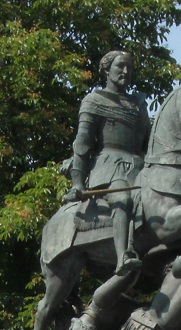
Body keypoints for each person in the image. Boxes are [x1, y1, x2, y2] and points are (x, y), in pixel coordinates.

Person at [63, 49, 150, 277]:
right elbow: (82, 143)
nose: (125, 71)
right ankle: (122, 256)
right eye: (120, 66)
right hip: (109, 166)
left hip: (141, 167)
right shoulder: (94, 101)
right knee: (122, 198)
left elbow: (149, 142)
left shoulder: (138, 105)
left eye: (129, 67)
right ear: (106, 69)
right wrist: (78, 182)